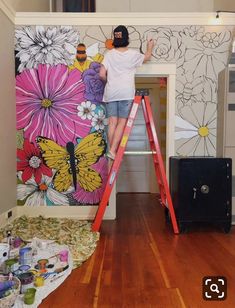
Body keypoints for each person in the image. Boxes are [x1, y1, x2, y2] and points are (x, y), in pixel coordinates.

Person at [99, 25, 154, 160]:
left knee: (112, 122)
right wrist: (150, 46)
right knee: (122, 122)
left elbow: (101, 74)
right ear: (127, 38)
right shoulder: (133, 54)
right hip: (126, 92)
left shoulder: (109, 55)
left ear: (115, 39)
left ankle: (112, 151)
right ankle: (112, 150)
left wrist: (109, 81)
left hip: (111, 92)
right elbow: (147, 57)